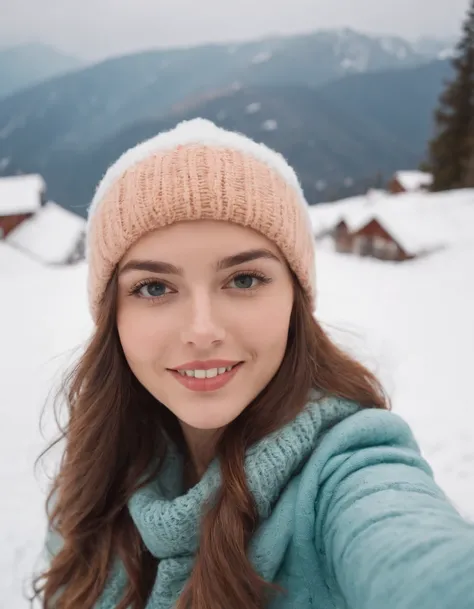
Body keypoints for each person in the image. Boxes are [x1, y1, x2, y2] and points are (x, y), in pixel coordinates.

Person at [33, 118, 474, 609]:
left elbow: (420, 559)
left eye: (243, 279)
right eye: (154, 287)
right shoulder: (94, 476)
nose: (202, 330)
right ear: (112, 316)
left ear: (295, 299)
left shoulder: (349, 472)